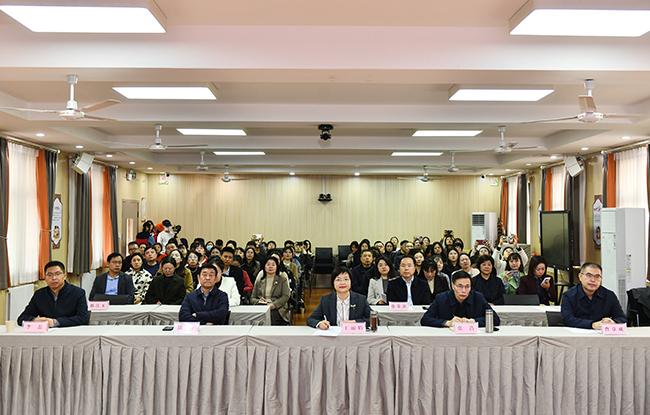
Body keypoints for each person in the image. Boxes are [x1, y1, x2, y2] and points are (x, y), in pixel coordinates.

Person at [18, 261, 89, 327]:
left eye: (58, 274)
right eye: (49, 275)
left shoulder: (78, 293)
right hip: (46, 332)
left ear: (64, 276)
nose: (54, 278)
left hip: (70, 331)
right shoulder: (39, 294)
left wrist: (55, 322)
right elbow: (22, 318)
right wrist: (34, 320)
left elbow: (83, 318)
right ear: (45, 278)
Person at [421, 271, 500, 328]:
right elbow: (425, 319)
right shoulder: (441, 298)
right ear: (452, 286)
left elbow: (495, 319)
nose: (463, 290)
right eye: (460, 286)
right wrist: (447, 323)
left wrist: (473, 321)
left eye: (467, 286)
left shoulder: (478, 297)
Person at [561, 262, 626, 329]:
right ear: (580, 276)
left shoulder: (609, 296)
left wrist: (613, 322)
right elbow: (567, 319)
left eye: (597, 276)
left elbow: (622, 318)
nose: (593, 280)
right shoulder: (569, 296)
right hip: (577, 334)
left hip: (601, 333)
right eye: (589, 275)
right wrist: (592, 324)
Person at [307, 266, 371, 329]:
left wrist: (355, 322)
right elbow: (311, 319)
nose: (342, 283)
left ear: (351, 281)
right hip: (333, 335)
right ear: (333, 283)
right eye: (338, 280)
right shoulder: (326, 301)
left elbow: (372, 319)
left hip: (354, 334)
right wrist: (320, 324)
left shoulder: (361, 299)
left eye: (346, 279)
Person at [251, 256, 291, 325]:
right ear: (264, 266)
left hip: (278, 308)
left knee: (271, 316)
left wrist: (273, 305)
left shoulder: (282, 279)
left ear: (277, 267)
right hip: (262, 306)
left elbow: (286, 296)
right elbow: (252, 298)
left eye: (273, 265)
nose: (270, 267)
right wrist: (258, 301)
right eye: (268, 264)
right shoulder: (260, 280)